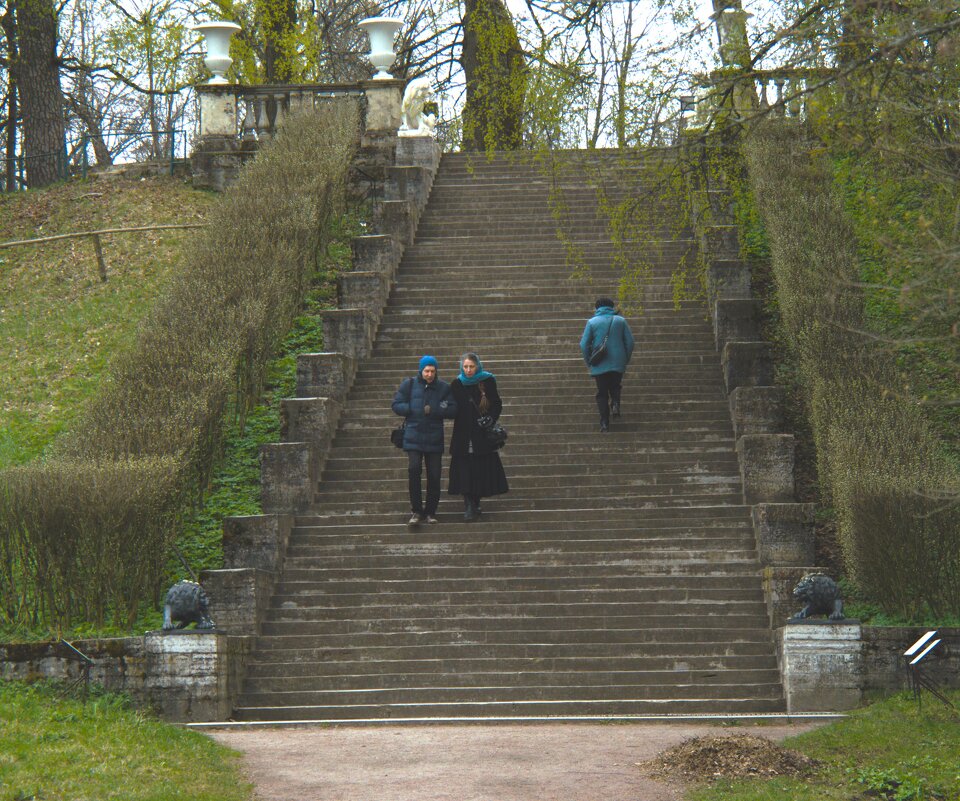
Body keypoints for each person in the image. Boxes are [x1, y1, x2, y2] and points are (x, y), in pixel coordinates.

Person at [392, 355, 457, 525]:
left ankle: (430, 512)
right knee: (414, 471)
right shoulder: (410, 384)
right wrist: (411, 408)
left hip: (434, 437)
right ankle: (416, 511)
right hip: (413, 435)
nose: (429, 374)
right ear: (421, 370)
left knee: (434, 475)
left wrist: (438, 409)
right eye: (426, 371)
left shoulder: (443, 387)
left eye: (432, 371)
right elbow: (396, 404)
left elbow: (453, 408)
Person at [448, 352, 509, 522]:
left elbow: (496, 403)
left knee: (480, 469)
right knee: (465, 469)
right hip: (462, 434)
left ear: (477, 366)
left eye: (471, 366)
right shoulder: (456, 384)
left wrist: (490, 418)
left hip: (481, 434)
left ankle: (475, 502)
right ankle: (468, 504)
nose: (468, 370)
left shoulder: (487, 381)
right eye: (465, 367)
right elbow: (452, 407)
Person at [580, 297, 635, 433]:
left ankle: (604, 422)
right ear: (611, 307)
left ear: (597, 308)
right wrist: (625, 358)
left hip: (599, 362)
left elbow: (583, 345)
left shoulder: (592, 322)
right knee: (616, 386)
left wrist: (589, 361)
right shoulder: (620, 321)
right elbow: (630, 342)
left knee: (602, 393)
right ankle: (615, 404)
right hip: (618, 361)